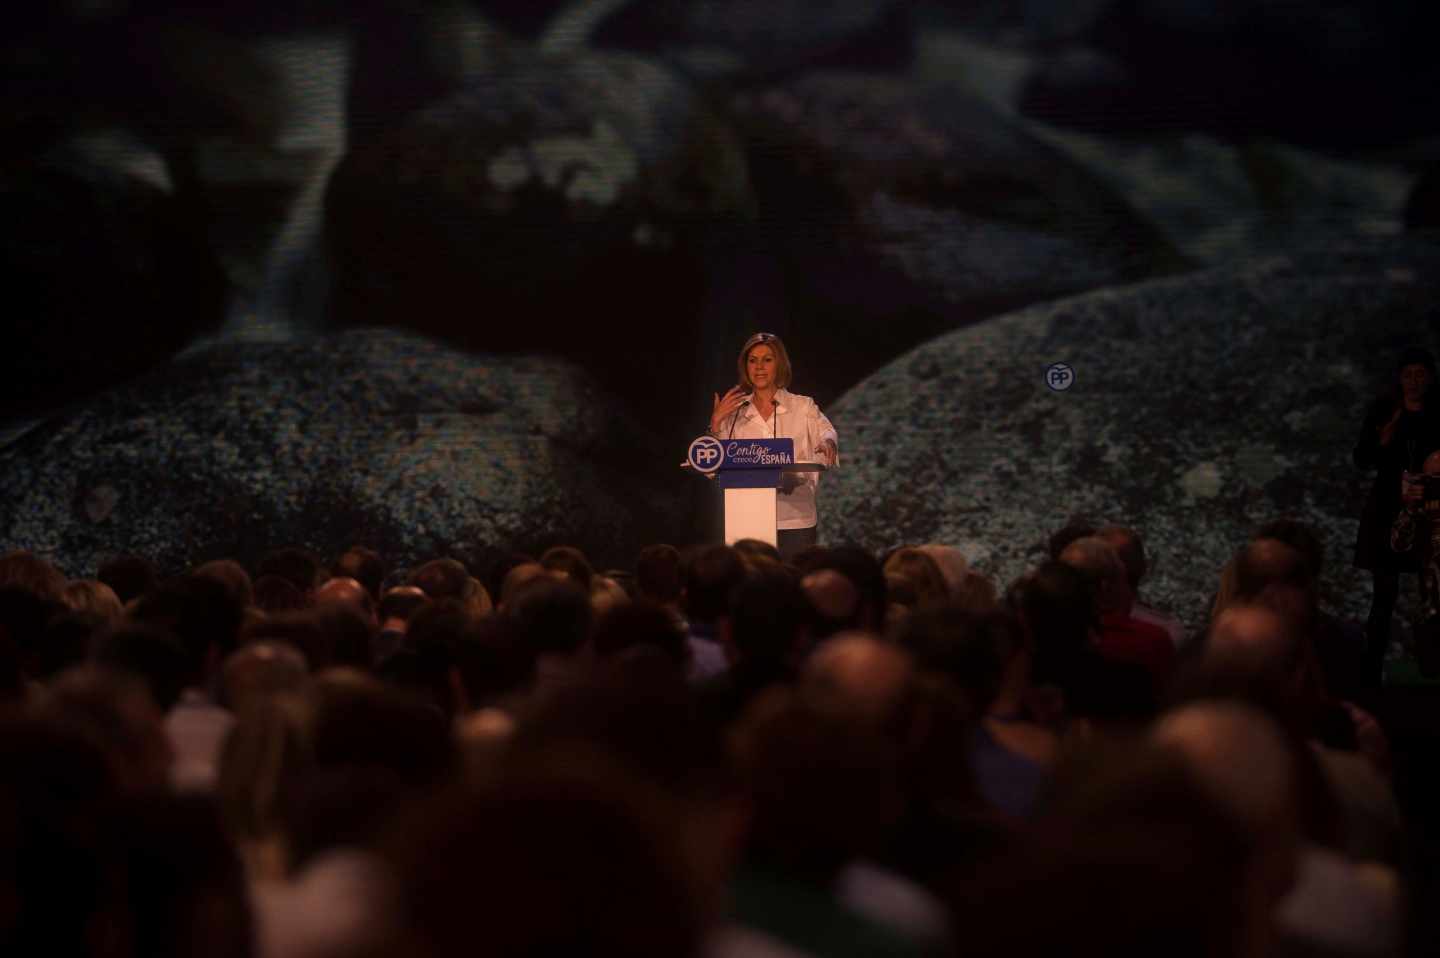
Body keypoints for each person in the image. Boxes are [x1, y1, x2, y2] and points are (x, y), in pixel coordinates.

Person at [1352, 345, 1440, 684]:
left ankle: (1433, 673)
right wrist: (1384, 440)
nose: (1415, 382)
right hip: (1388, 508)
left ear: (1431, 378)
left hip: (1430, 511)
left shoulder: (1438, 412)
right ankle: (1371, 674)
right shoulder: (1385, 411)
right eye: (1408, 375)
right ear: (1399, 379)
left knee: (1432, 594)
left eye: (1421, 375)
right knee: (1383, 595)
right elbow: (1362, 458)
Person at [710, 332, 838, 562]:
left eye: (767, 359)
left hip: (795, 519)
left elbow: (826, 432)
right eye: (753, 360)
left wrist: (827, 442)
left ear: (779, 365)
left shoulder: (802, 406)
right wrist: (716, 423)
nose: (759, 367)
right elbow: (712, 464)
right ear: (745, 367)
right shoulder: (735, 413)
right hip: (746, 521)